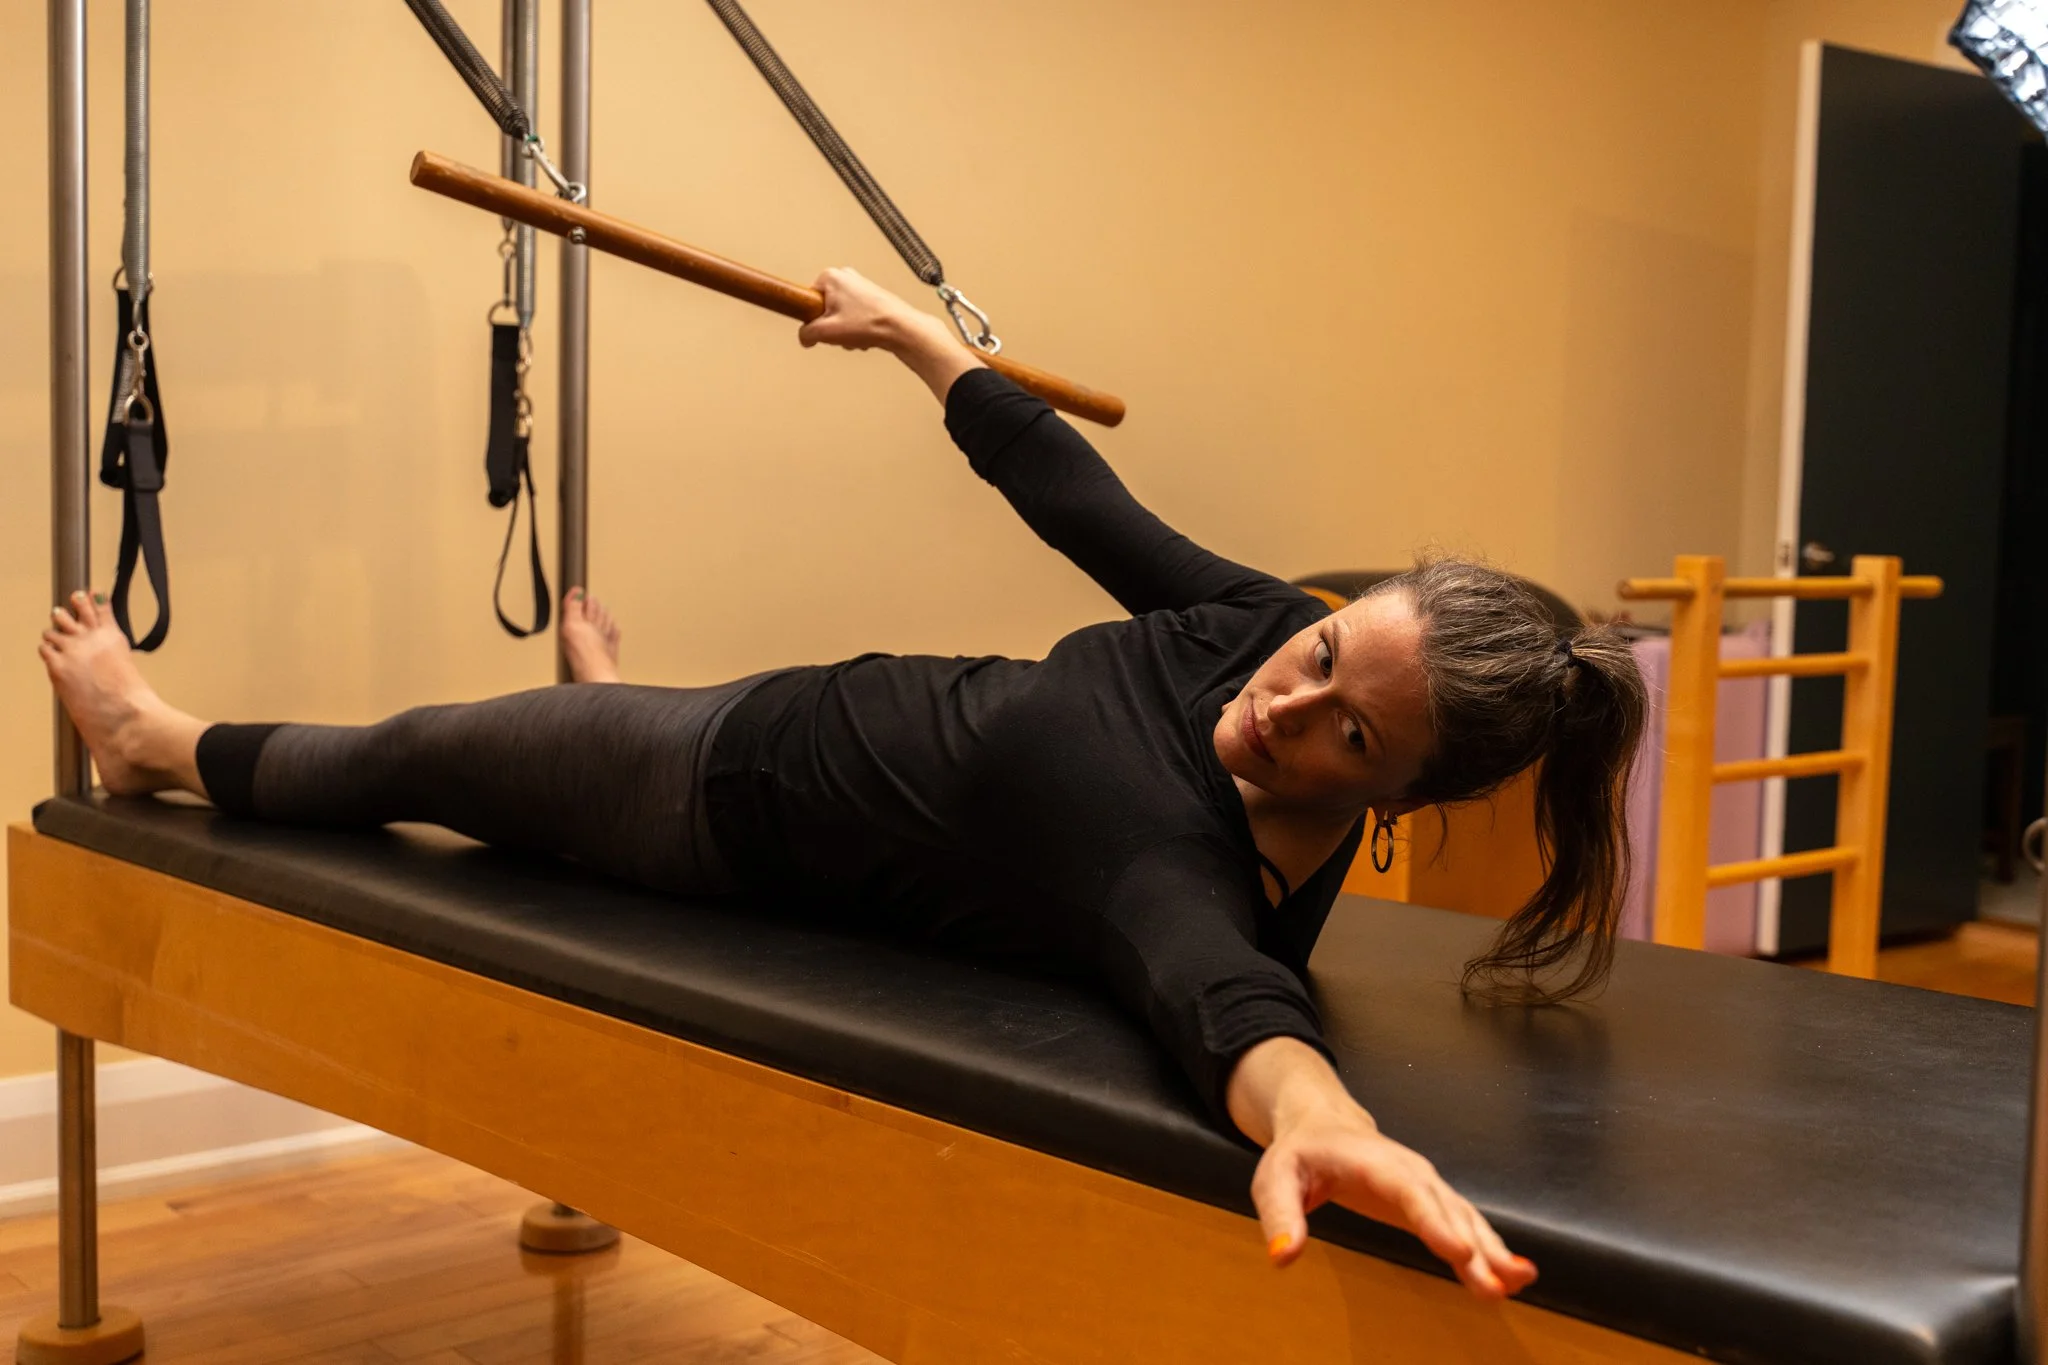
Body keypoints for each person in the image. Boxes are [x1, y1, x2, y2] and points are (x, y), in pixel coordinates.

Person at [40, 268, 1645, 1302]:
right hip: (810, 716)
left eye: (1349, 735)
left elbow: (1226, 1005)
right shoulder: (1261, 630)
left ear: (1400, 800)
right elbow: (1079, 495)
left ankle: (153, 740)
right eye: (1322, 652)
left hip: (715, 794)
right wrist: (922, 342)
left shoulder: (1165, 855)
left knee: (425, 754)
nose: (1282, 703)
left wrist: (1324, 1124)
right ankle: (595, 716)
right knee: (542, 741)